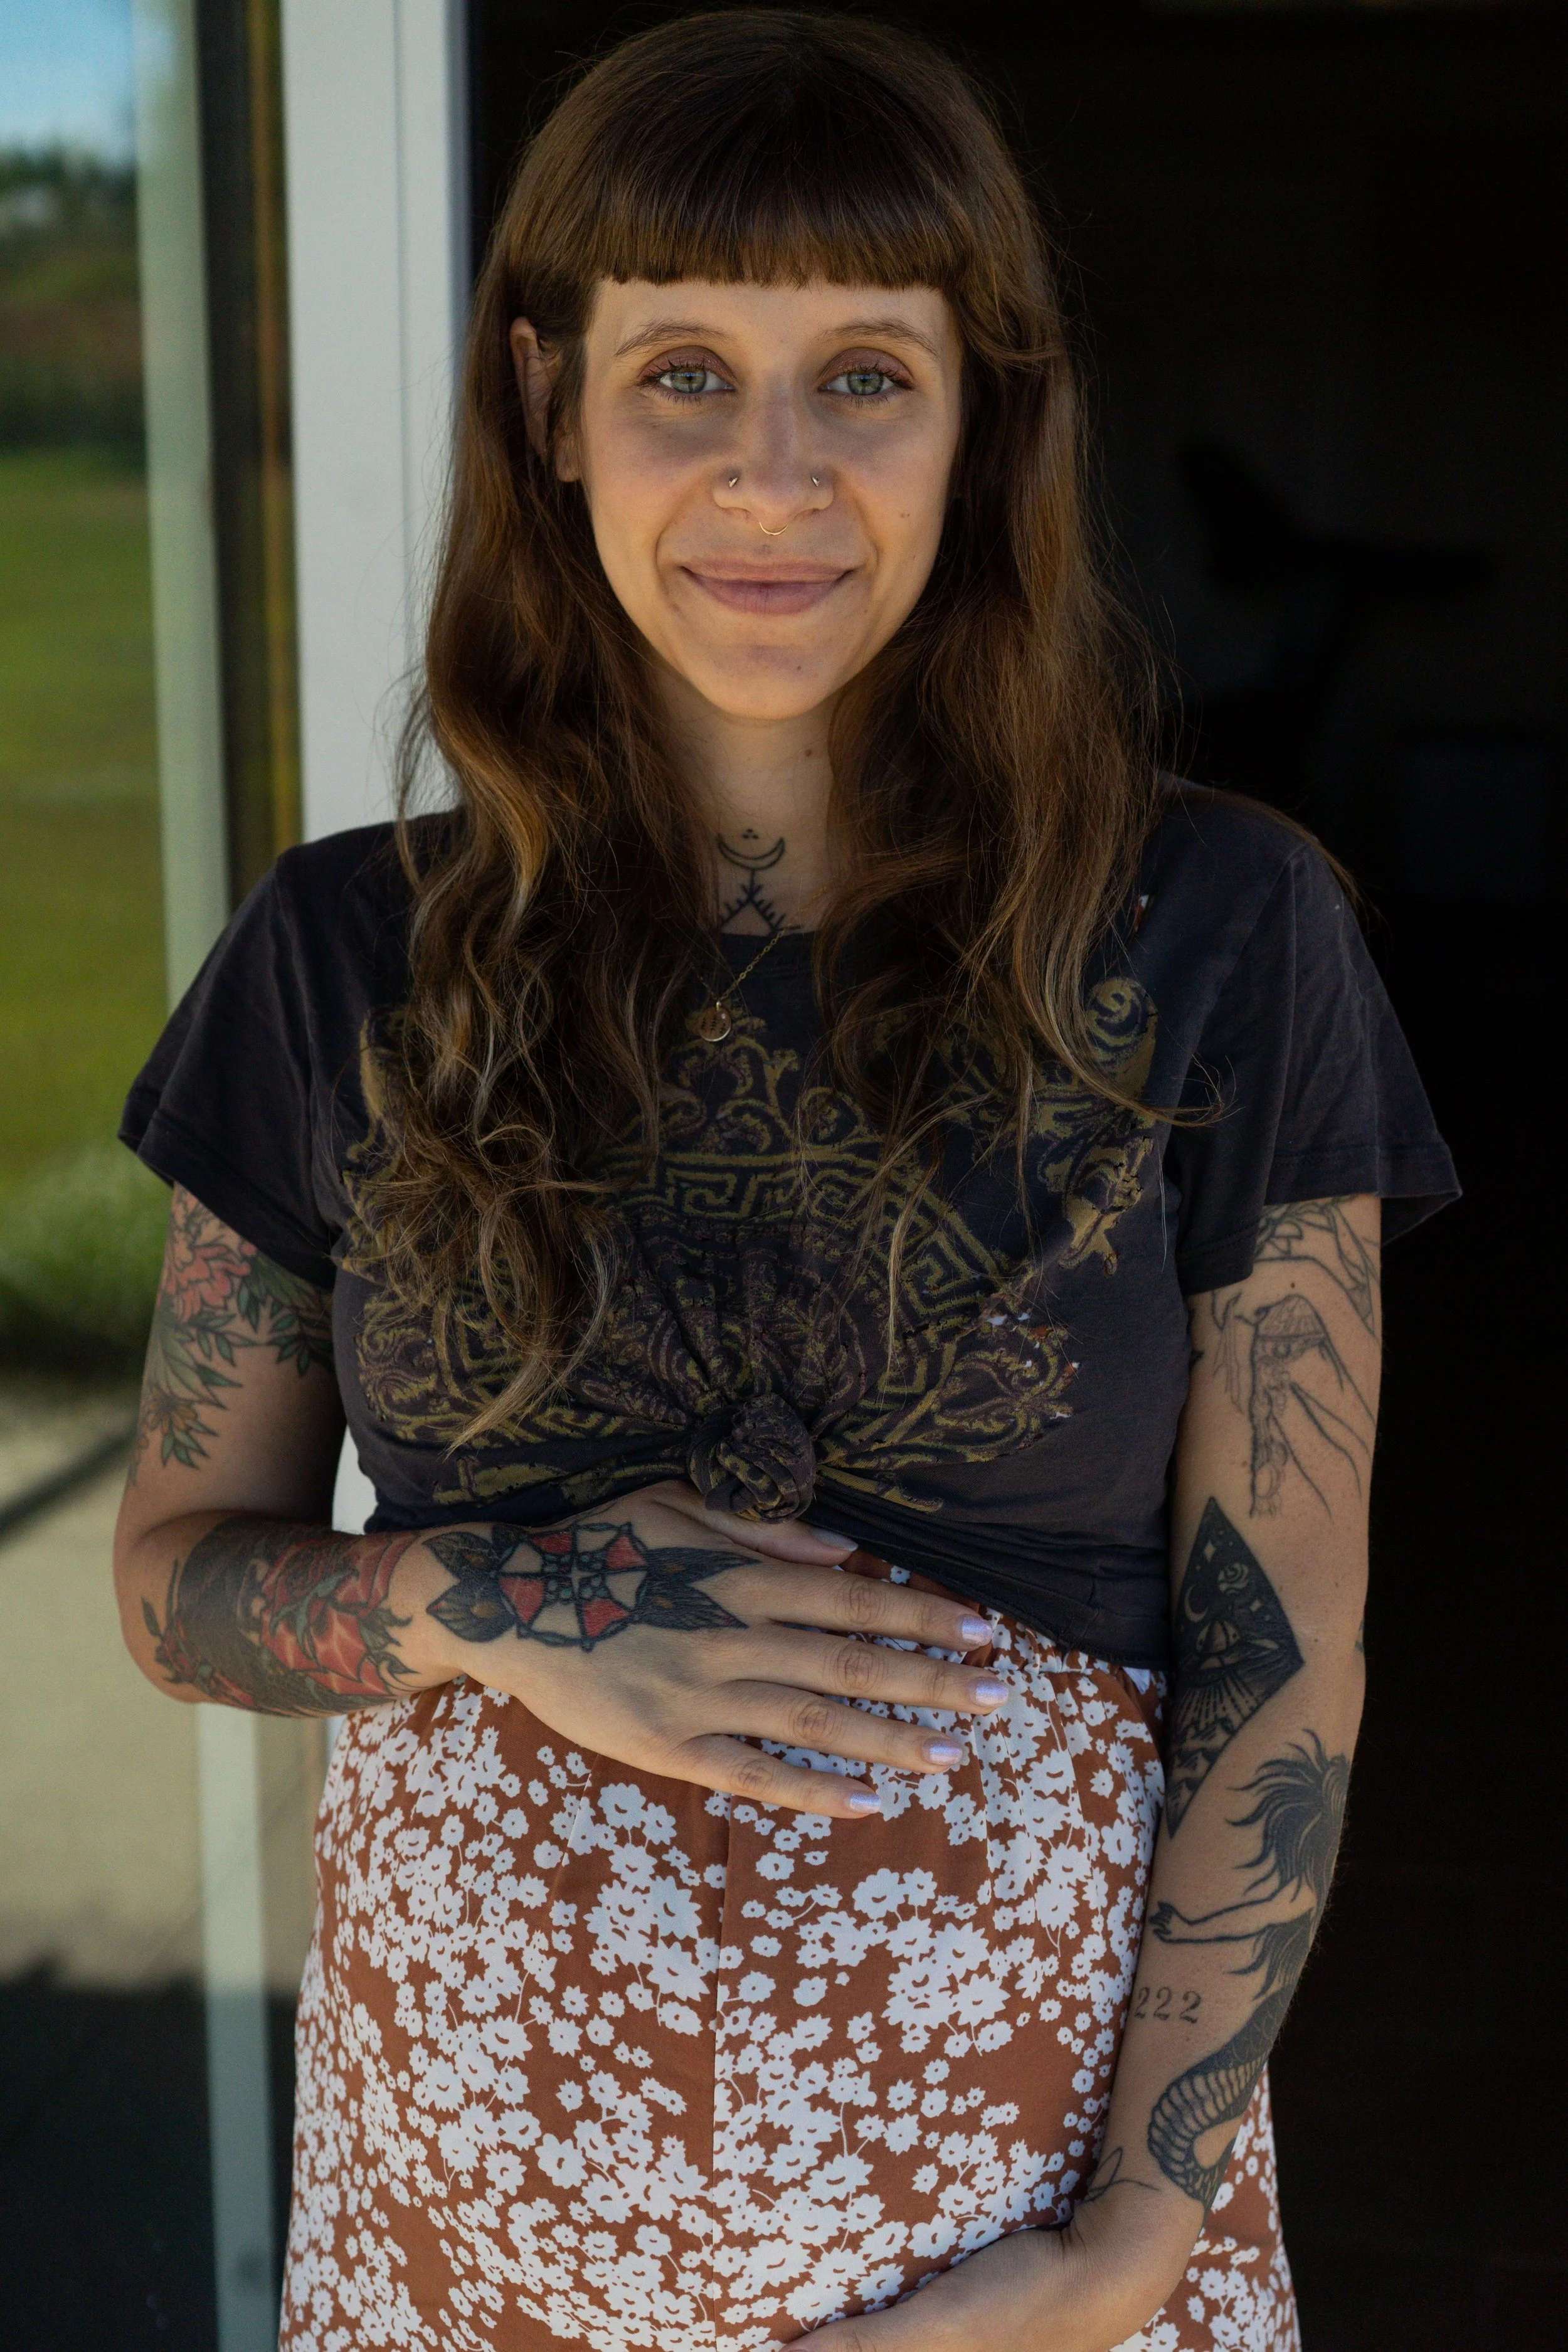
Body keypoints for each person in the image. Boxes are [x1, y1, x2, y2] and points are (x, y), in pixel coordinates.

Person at [114, 13, 1456, 2349]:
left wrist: (1129, 2243)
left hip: (1028, 2273)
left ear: (983, 419)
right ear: (548, 401)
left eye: (862, 376)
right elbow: (172, 1584)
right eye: (682, 376)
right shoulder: (343, 955)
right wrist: (502, 1601)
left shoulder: (1220, 935)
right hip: (457, 2252)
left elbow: (1284, 1647)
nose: (772, 475)